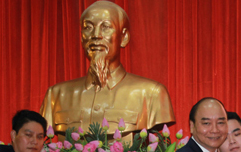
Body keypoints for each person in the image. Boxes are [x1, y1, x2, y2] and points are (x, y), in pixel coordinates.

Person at [40, 1, 174, 135]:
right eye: (88, 27)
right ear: (81, 38)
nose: (96, 35)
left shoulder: (151, 93)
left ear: (124, 37)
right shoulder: (57, 95)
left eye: (106, 27)